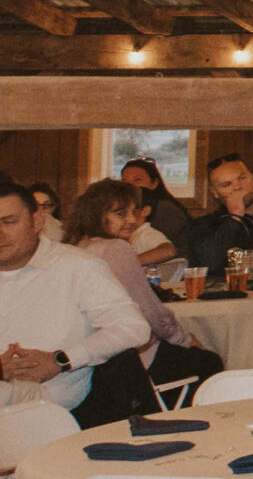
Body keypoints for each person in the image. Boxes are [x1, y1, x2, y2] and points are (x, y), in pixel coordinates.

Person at [0, 182, 155, 426]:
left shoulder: (77, 267)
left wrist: (61, 360)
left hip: (52, 415)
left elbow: (133, 328)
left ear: (38, 221)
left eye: (8, 222)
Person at [62, 179, 222, 400]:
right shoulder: (116, 249)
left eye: (132, 212)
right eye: (121, 213)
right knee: (210, 362)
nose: (131, 220)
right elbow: (147, 310)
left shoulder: (75, 247)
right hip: (130, 362)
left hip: (94, 362)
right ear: (97, 214)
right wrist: (186, 340)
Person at [182, 154, 253, 279]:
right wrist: (234, 217)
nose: (237, 187)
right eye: (226, 184)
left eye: (242, 178)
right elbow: (208, 264)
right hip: (229, 294)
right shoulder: (204, 225)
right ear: (215, 192)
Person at [118, 158, 192, 260]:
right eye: (124, 181)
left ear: (155, 183)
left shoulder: (165, 208)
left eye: (137, 180)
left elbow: (166, 250)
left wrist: (129, 263)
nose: (130, 185)